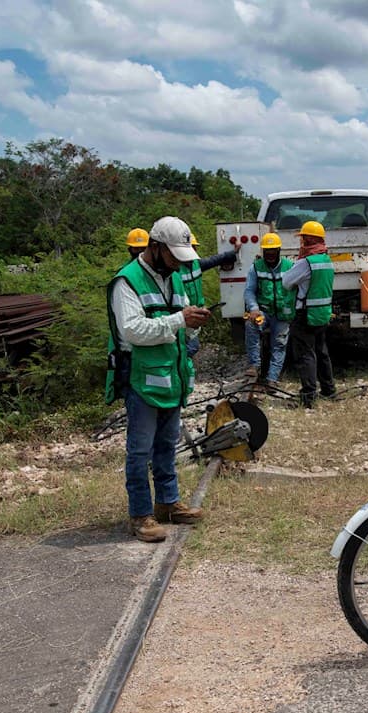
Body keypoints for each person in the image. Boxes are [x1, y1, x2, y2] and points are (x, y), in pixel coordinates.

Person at [105, 216, 210, 543]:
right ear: (155, 247)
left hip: (172, 377)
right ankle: (140, 515)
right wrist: (180, 319)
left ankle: (167, 503)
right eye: (174, 255)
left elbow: (181, 321)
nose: (179, 263)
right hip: (142, 379)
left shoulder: (174, 277)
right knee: (139, 450)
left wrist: (192, 322)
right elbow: (133, 331)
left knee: (167, 445)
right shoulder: (127, 281)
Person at [281, 220, 336, 407]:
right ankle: (329, 390)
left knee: (305, 354)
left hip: (304, 315)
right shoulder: (326, 260)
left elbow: (286, 282)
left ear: (307, 240)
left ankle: (308, 396)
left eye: (302, 238)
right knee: (322, 352)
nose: (301, 242)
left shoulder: (306, 263)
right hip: (322, 314)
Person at [242, 232, 294, 386]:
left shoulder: (290, 266)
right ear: (263, 252)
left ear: (279, 251)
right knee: (250, 325)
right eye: (267, 252)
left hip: (283, 313)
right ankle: (254, 365)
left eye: (273, 252)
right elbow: (249, 290)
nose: (270, 255)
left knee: (279, 343)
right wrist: (254, 308)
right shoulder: (256, 268)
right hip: (263, 311)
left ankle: (272, 378)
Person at [180, 232, 241, 357]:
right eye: (191, 247)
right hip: (183, 314)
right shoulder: (176, 269)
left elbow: (215, 260)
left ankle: (180, 368)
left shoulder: (196, 264)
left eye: (195, 247)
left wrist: (233, 252)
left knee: (190, 346)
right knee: (191, 347)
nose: (194, 250)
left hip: (195, 313)